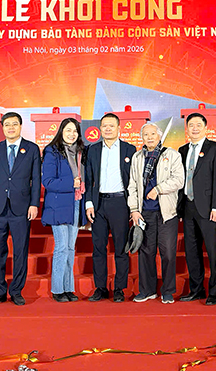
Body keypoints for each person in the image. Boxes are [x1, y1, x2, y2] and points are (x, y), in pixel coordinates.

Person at [0, 112, 42, 306]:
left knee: (20, 250)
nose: (11, 128)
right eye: (7, 124)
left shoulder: (31, 149)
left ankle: (16, 290)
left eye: (14, 124)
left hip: (21, 207)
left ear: (20, 126)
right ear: (2, 128)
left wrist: (34, 204)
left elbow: (36, 179)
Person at [128, 123, 185, 304]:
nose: (150, 137)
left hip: (167, 213)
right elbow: (132, 185)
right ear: (142, 138)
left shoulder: (172, 155)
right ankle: (147, 290)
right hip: (145, 212)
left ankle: (168, 291)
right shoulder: (137, 157)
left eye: (153, 134)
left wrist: (158, 189)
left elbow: (179, 180)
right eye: (146, 135)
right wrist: (134, 209)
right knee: (146, 252)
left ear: (159, 136)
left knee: (168, 252)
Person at [85, 114, 136, 302]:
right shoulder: (92, 150)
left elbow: (134, 180)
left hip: (120, 203)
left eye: (111, 126)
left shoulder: (129, 149)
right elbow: (88, 179)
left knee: (121, 248)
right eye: (104, 126)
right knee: (98, 247)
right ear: (100, 128)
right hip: (98, 204)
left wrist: (133, 206)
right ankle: (100, 288)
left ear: (119, 128)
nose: (108, 129)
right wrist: (89, 203)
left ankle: (119, 288)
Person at [178, 113, 216, 306]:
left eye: (199, 125)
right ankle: (196, 289)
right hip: (187, 206)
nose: (195, 128)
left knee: (213, 251)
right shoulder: (182, 150)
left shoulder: (215, 148)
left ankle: (214, 292)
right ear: (187, 129)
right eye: (191, 125)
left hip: (207, 208)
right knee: (191, 251)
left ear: (206, 128)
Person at [41, 118, 88, 303]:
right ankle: (57, 289)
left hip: (75, 202)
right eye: (68, 130)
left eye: (75, 131)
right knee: (61, 247)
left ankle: (69, 288)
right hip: (58, 205)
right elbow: (48, 181)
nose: (71, 134)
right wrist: (71, 183)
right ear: (61, 132)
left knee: (70, 248)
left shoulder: (81, 152)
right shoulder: (52, 151)